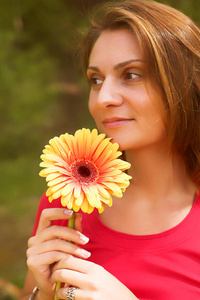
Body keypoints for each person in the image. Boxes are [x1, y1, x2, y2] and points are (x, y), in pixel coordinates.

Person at [19, 0, 200, 299]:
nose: (104, 98)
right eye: (96, 79)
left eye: (131, 74)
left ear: (183, 82)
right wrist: (43, 293)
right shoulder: (66, 201)